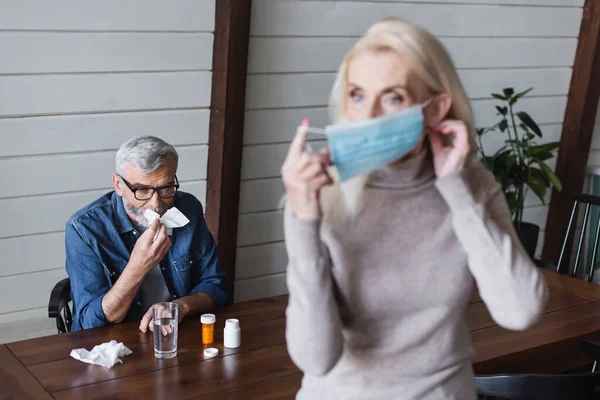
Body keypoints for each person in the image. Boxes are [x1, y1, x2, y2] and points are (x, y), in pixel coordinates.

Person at [281, 18, 548, 400]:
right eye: (357, 95)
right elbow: (316, 358)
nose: (369, 114)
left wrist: (455, 189)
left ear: (436, 108)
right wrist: (304, 219)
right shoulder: (318, 193)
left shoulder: (472, 187)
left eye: (393, 97)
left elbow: (520, 311)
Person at [66, 136, 232, 332]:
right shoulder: (84, 229)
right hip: (115, 343)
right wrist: (137, 267)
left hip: (178, 333)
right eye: (142, 190)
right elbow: (89, 323)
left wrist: (181, 306)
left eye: (165, 188)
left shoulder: (188, 208)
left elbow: (218, 285)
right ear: (118, 185)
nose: (156, 203)